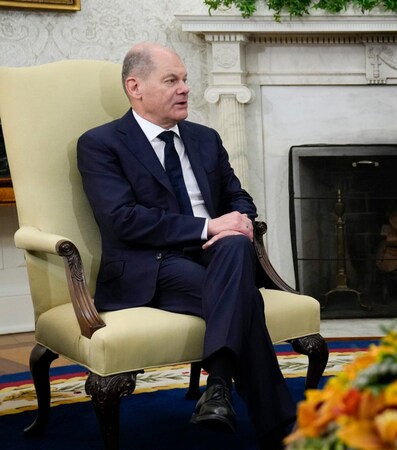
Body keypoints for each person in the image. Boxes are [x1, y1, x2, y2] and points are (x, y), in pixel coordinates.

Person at [76, 42, 295, 449]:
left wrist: (240, 221)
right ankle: (277, 428)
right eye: (172, 80)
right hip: (151, 265)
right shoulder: (102, 144)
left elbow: (238, 197)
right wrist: (210, 225)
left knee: (232, 247)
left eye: (185, 79)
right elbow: (122, 220)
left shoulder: (205, 138)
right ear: (135, 87)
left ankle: (218, 392)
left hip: (216, 256)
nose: (185, 89)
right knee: (247, 300)